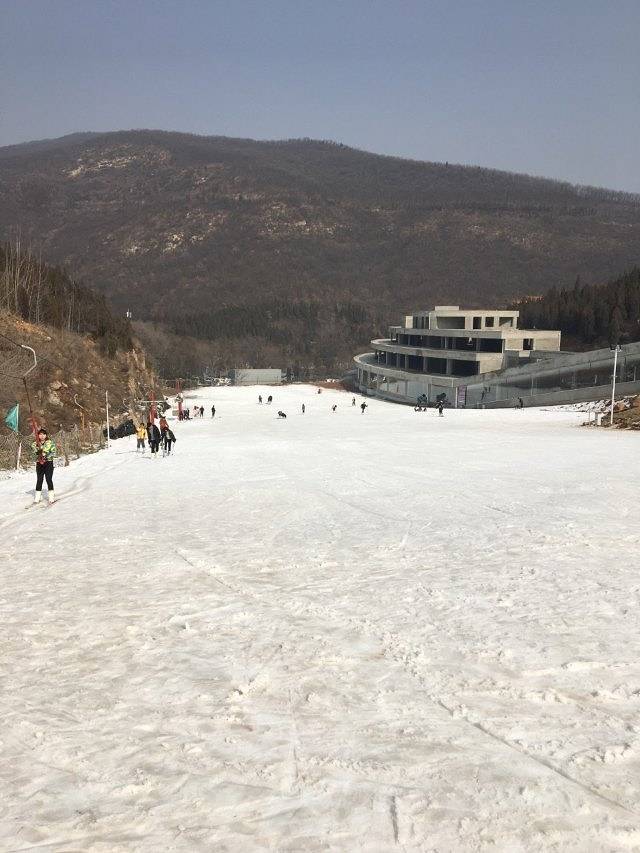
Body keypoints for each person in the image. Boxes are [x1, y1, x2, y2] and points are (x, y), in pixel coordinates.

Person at [32, 428, 57, 503]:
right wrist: (37, 453)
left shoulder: (50, 443)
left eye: (43, 434)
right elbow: (33, 454)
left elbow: (54, 452)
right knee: (39, 479)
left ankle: (51, 497)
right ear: (38, 435)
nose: (42, 436)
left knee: (48, 479)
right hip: (39, 463)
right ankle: (37, 498)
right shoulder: (34, 444)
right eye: (40, 434)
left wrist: (46, 455)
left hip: (48, 463)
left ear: (46, 435)